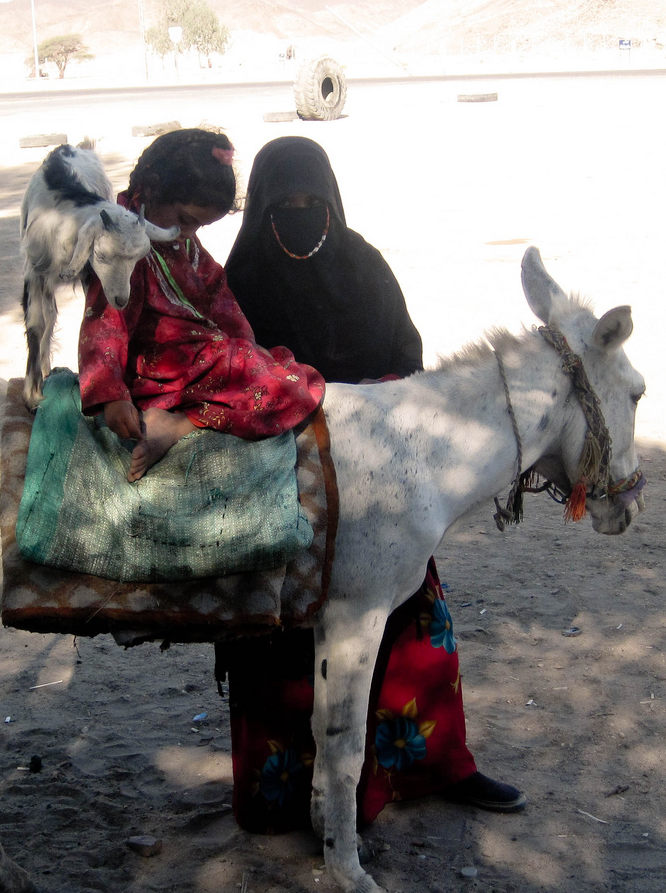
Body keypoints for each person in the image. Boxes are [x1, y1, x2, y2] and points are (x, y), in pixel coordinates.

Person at [221, 136, 525, 829]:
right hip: (284, 485)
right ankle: (291, 802)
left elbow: (407, 358)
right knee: (281, 641)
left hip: (385, 483)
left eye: (312, 202)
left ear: (333, 200)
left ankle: (438, 766)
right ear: (260, 207)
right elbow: (232, 379)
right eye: (284, 204)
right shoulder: (238, 280)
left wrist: (369, 406)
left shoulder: (364, 266)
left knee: (417, 631)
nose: (300, 216)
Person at [77, 128, 325, 481]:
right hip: (161, 371)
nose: (188, 233)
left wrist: (246, 352)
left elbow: (218, 298)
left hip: (197, 362)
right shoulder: (123, 243)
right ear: (151, 189)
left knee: (278, 369)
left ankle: (189, 415)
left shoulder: (178, 240)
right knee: (292, 388)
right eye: (185, 220)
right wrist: (111, 394)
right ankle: (180, 425)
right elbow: (105, 322)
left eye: (198, 227)